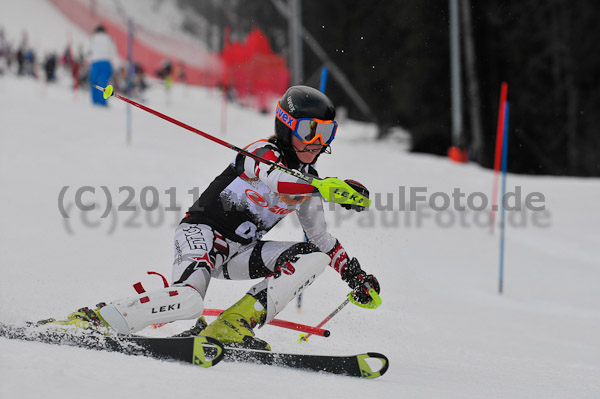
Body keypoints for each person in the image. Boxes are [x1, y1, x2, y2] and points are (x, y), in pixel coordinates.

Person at [47, 86, 380, 350]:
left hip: (240, 254)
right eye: (311, 130)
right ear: (287, 125)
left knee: (314, 256)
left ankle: (233, 324)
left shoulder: (310, 182)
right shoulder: (262, 152)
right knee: (189, 301)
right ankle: (96, 319)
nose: (318, 143)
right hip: (201, 235)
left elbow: (322, 239)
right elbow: (276, 179)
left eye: (327, 133)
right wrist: (322, 187)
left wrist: (355, 276)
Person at [89, 25, 115, 106]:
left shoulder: (93, 38)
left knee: (94, 82)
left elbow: (89, 50)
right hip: (106, 62)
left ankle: (95, 101)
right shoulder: (109, 39)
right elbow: (113, 51)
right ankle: (103, 101)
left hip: (96, 62)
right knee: (103, 82)